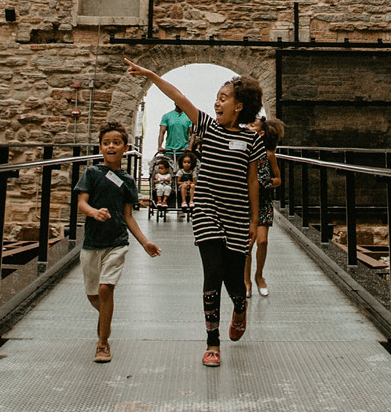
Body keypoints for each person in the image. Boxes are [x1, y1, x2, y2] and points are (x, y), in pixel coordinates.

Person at [126, 60, 263, 368]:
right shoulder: (207, 127)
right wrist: (150, 76)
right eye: (217, 96)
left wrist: (254, 220)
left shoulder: (252, 140)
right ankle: (212, 343)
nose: (217, 101)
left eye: (224, 97)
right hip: (206, 210)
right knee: (212, 274)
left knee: (234, 282)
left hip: (238, 213)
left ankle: (239, 308)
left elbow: (253, 181)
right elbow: (180, 96)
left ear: (239, 106)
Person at [74, 122, 161, 364]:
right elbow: (81, 203)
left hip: (117, 242)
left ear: (126, 147)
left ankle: (103, 343)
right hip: (92, 242)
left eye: (116, 142)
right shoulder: (91, 173)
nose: (111, 146)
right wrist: (93, 212)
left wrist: (144, 242)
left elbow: (128, 216)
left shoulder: (127, 180)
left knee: (105, 288)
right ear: (100, 147)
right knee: (93, 295)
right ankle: (106, 320)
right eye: (106, 143)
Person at [247, 117, 285, 297]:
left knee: (262, 241)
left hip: (263, 202)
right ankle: (245, 280)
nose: (247, 126)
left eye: (252, 125)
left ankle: (259, 276)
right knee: (247, 244)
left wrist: (268, 183)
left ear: (261, 133)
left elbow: (278, 179)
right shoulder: (244, 152)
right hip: (246, 203)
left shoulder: (269, 155)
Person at [158, 101, 193, 178]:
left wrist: (190, 146)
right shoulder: (167, 116)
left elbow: (193, 133)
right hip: (169, 150)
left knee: (183, 174)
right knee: (168, 172)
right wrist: (160, 146)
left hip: (183, 150)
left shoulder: (189, 117)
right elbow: (162, 132)